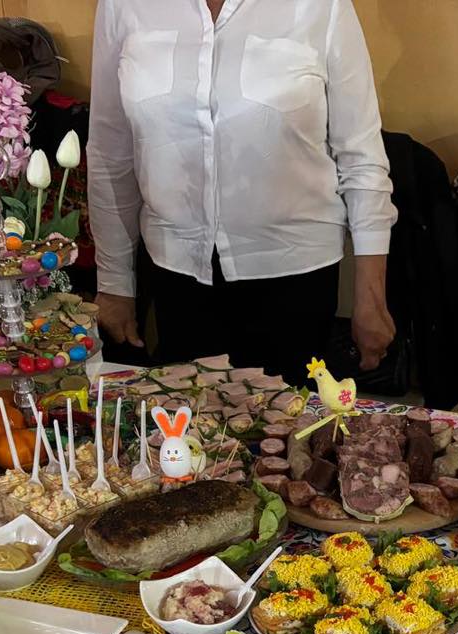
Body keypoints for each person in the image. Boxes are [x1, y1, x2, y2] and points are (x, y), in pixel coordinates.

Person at [89, 0, 397, 377]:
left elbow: (362, 157)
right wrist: (114, 282)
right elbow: (109, 151)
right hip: (176, 276)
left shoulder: (321, 6)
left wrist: (371, 298)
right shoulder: (123, 6)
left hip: (295, 278)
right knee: (187, 411)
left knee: (289, 413)